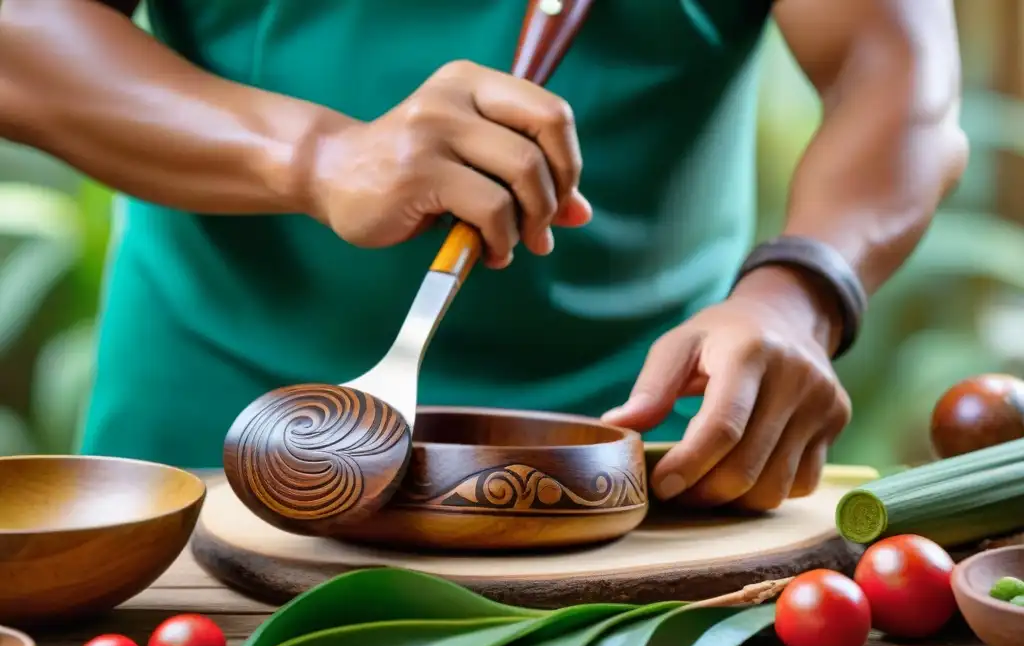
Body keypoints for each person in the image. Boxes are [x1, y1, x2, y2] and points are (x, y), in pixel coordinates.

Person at [0, 0, 966, 510]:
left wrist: (797, 295)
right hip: (216, 443)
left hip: (647, 460)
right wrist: (317, 154)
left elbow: (898, 70)